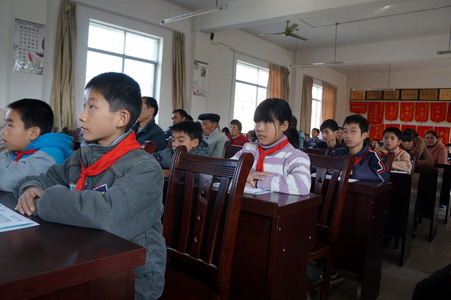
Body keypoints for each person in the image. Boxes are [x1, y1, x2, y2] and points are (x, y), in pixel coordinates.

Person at [14, 72, 166, 300]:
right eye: (83, 106)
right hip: (83, 256)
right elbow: (44, 178)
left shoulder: (144, 168)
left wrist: (45, 199)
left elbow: (107, 216)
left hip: (129, 276)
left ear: (121, 118)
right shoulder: (81, 156)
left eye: (92, 107)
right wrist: (29, 189)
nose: (81, 116)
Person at [231, 98, 311, 195]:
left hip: (274, 209)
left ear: (284, 126)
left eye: (267, 122)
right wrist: (245, 176)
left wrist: (257, 181)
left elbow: (302, 185)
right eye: (257, 122)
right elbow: (223, 169)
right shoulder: (248, 148)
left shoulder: (296, 156)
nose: (259, 128)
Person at [0, 99, 73, 192]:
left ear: (33, 133)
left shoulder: (51, 156)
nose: (3, 131)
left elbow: (6, 180)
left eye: (10, 125)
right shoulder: (18, 149)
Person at [331, 114, 389, 182]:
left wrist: (352, 171)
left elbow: (383, 175)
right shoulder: (337, 153)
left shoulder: (371, 155)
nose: (348, 136)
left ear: (364, 135)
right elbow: (322, 166)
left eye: (353, 131)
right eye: (345, 131)